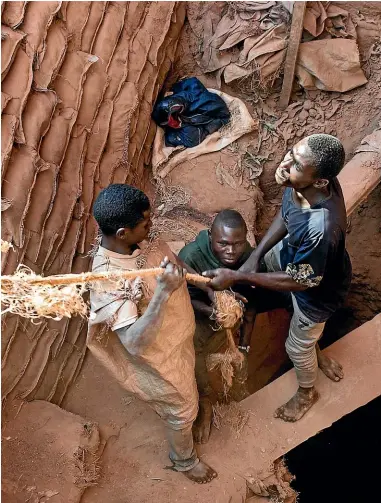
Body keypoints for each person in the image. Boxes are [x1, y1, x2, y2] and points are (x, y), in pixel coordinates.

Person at [203, 134, 352, 423]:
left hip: (316, 294)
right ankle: (314, 347)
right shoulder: (300, 182)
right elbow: (287, 215)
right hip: (295, 258)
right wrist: (256, 255)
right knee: (291, 312)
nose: (285, 164)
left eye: (296, 163)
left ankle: (307, 392)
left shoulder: (321, 229)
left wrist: (236, 274)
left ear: (320, 182)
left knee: (296, 346)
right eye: (290, 153)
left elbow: (301, 282)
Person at [86, 183, 217, 484]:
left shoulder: (141, 240)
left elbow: (173, 263)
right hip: (160, 358)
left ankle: (198, 406)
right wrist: (162, 293)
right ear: (122, 233)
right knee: (181, 407)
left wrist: (206, 285)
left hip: (178, 339)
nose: (152, 225)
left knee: (192, 380)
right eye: (146, 223)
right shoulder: (109, 281)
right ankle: (184, 460)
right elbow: (133, 343)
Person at [178, 210, 265, 444]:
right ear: (210, 236)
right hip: (196, 312)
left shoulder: (249, 258)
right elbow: (180, 300)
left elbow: (252, 305)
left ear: (246, 238)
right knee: (195, 353)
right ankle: (205, 402)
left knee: (233, 354)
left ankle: (236, 383)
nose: (231, 251)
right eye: (223, 243)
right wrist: (212, 311)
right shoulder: (192, 256)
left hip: (227, 316)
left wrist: (244, 347)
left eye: (237, 243)